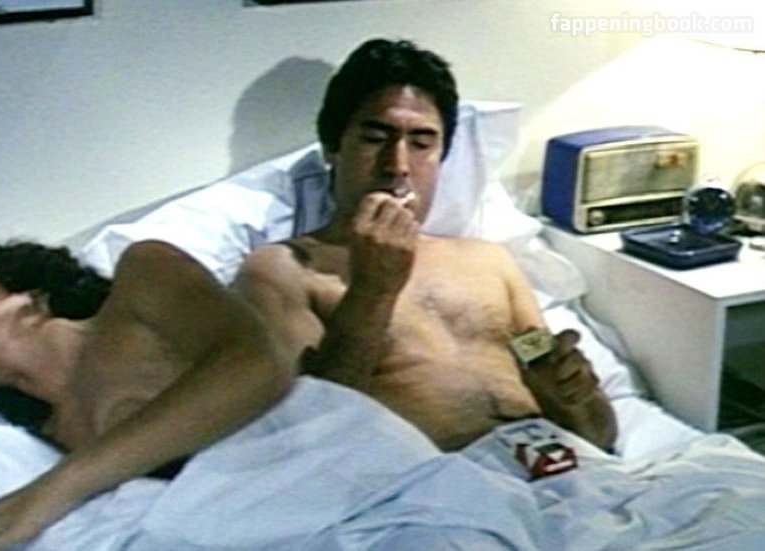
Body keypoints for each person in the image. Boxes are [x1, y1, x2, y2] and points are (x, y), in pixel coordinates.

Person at [232, 38, 618, 452]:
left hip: (558, 468)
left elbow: (597, 434)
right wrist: (373, 291)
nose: (397, 165)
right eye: (375, 137)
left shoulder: (489, 262)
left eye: (421, 143)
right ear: (332, 147)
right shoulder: (283, 271)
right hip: (427, 480)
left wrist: (574, 395)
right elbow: (306, 437)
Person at [0, 239, 293, 550]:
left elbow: (257, 365)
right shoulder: (42, 442)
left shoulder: (142, 275)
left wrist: (56, 489)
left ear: (13, 279)